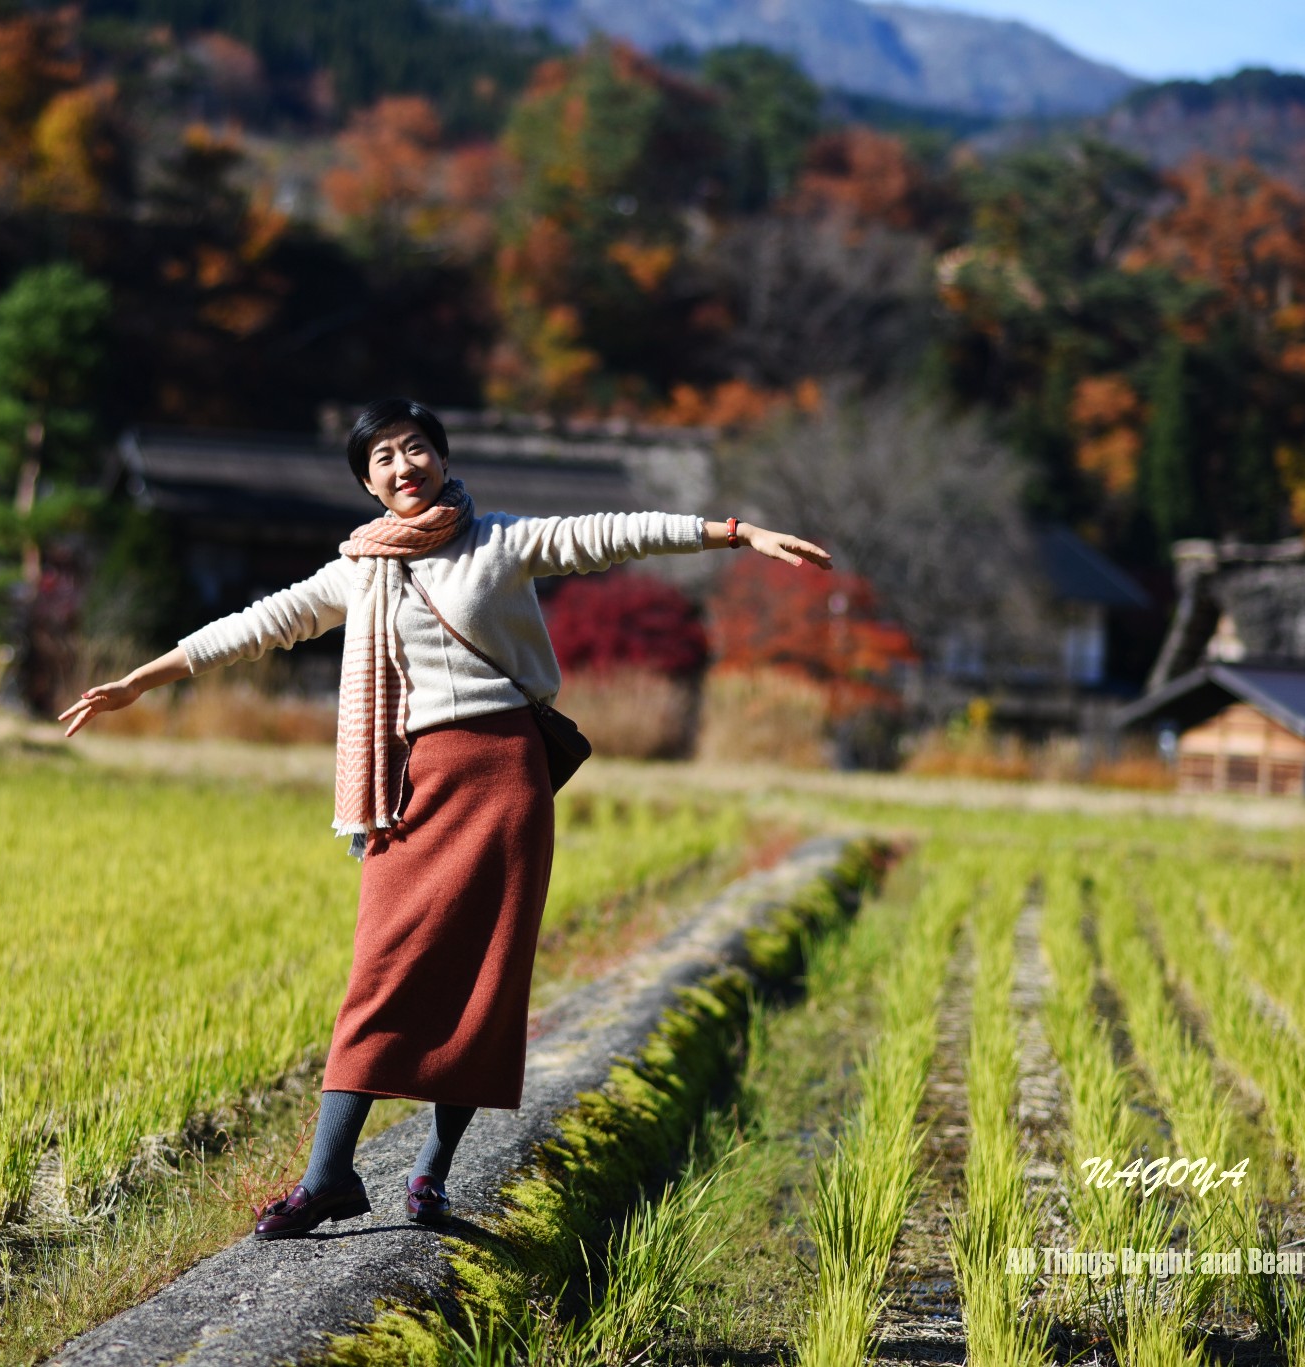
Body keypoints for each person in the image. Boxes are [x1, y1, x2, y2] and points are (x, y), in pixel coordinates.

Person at [58, 398, 832, 1239]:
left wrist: (735, 532)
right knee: (380, 973)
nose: (404, 465)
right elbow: (261, 625)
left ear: (441, 457)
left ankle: (430, 1173)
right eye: (383, 457)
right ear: (368, 483)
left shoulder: (500, 540)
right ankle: (330, 1176)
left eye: (415, 448)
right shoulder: (359, 569)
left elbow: (614, 532)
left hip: (506, 779)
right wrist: (147, 676)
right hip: (411, 788)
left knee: (483, 981)